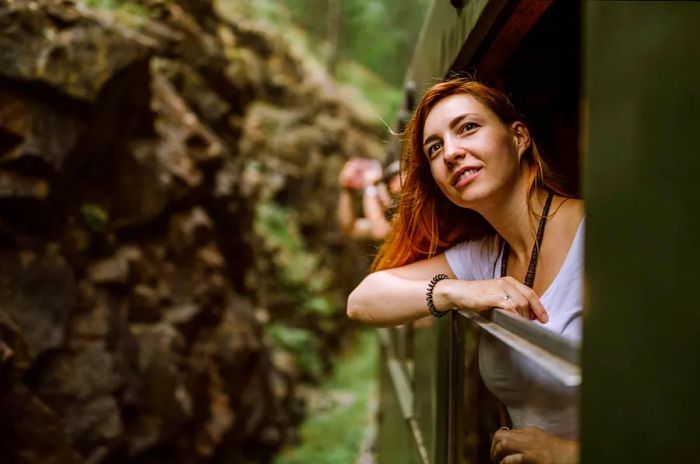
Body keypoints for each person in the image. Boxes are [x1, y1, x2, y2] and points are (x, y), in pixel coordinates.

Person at [346, 78, 583, 464]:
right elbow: (362, 300)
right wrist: (452, 292)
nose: (451, 153)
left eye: (468, 127)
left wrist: (567, 455)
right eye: (434, 147)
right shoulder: (485, 257)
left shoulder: (599, 236)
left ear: (519, 137)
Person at [337, 158, 401, 241]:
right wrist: (347, 190)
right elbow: (350, 228)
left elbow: (381, 231)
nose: (391, 187)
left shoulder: (414, 210)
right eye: (388, 182)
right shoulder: (391, 214)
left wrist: (369, 187)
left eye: (395, 179)